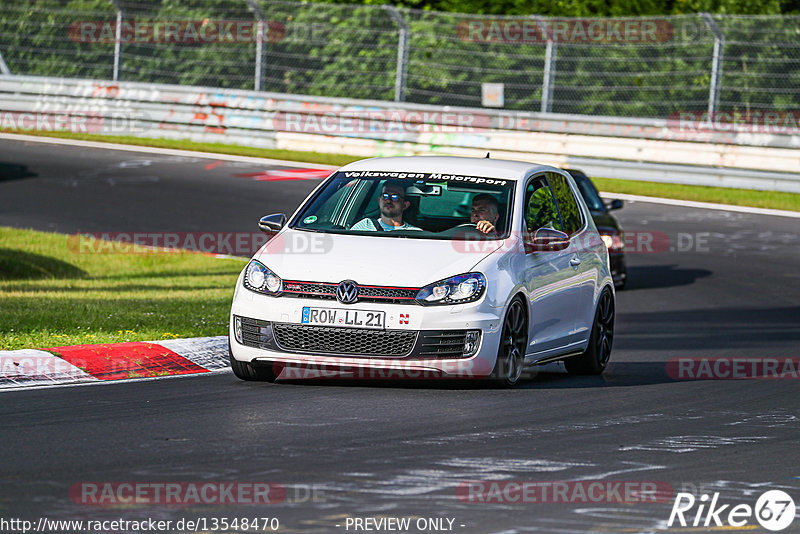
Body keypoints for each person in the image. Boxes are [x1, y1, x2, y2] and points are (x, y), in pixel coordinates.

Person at [351, 180, 422, 232]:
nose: (388, 200)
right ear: (379, 200)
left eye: (395, 197)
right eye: (385, 196)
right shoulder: (364, 226)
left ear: (405, 205)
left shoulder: (415, 232)